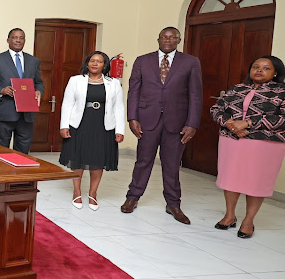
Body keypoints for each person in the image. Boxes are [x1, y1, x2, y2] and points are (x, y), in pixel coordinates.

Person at [122, 27, 203, 224]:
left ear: (178, 40)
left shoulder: (191, 62)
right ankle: (132, 197)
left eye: (172, 37)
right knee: (143, 161)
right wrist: (132, 117)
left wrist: (192, 123)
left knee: (172, 164)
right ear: (158, 39)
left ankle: (173, 204)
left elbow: (195, 94)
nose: (168, 40)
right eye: (164, 37)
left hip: (177, 123)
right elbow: (134, 90)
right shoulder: (142, 60)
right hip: (147, 120)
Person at [210, 56, 285, 238]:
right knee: (230, 178)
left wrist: (248, 123)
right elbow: (216, 109)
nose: (259, 70)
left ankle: (248, 220)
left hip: (264, 144)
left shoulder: (281, 92)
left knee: (256, 182)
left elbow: (282, 119)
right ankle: (229, 215)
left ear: (275, 72)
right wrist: (230, 124)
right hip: (231, 140)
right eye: (256, 67)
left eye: (265, 68)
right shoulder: (237, 88)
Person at [59, 51, 125, 211]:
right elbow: (67, 103)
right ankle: (76, 191)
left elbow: (119, 107)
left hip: (103, 125)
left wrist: (120, 129)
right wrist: (64, 125)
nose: (95, 64)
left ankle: (93, 193)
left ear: (105, 65)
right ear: (87, 63)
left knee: (98, 159)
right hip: (79, 124)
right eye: (92, 61)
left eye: (99, 61)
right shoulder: (75, 81)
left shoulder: (113, 83)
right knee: (78, 158)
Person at [0, 28, 44, 153]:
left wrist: (39, 91)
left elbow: (38, 82)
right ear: (8, 40)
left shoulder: (33, 61)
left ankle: (21, 173)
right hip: (5, 113)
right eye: (15, 37)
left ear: (24, 41)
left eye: (21, 38)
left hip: (27, 115)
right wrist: (2, 90)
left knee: (23, 152)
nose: (18, 40)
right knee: (2, 151)